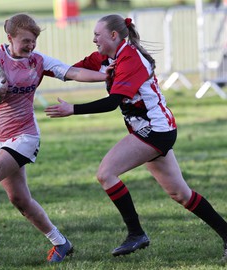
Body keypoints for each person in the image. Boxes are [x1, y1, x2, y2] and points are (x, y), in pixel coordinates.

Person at [45, 14, 227, 260]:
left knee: (106, 173)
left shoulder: (130, 58)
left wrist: (73, 109)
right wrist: (36, 65)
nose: (93, 39)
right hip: (154, 130)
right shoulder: (109, 56)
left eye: (97, 35)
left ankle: (136, 233)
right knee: (181, 194)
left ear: (113, 35)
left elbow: (112, 103)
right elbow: (73, 71)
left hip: (156, 130)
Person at [0, 13, 107, 263]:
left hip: (25, 136)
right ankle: (61, 243)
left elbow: (73, 73)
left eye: (33, 41)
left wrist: (107, 77)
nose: (31, 46)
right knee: (20, 200)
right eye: (25, 40)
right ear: (10, 37)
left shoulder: (38, 61)